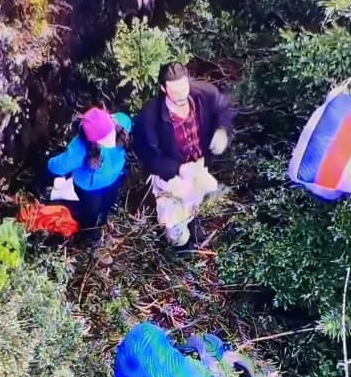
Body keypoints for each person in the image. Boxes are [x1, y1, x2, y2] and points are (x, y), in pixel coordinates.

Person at [133, 63, 236, 249]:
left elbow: (224, 108)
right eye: (175, 91)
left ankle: (192, 218)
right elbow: (148, 155)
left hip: (199, 165)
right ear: (163, 89)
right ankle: (176, 243)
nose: (181, 95)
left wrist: (222, 130)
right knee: (177, 233)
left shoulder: (204, 94)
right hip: (170, 177)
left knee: (199, 197)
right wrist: (177, 169)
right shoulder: (149, 117)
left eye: (184, 87)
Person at [46, 106, 133, 244]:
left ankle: (96, 230)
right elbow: (60, 165)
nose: (111, 141)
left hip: (100, 185)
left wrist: (48, 162)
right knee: (97, 211)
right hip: (101, 185)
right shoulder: (81, 147)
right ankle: (94, 232)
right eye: (105, 139)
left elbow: (59, 166)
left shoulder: (80, 147)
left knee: (98, 210)